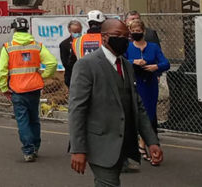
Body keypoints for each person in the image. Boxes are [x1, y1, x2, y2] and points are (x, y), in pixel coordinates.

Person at [68, 19, 163, 185]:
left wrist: (151, 141)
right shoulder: (86, 65)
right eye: (117, 35)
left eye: (126, 36)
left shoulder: (126, 65)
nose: (123, 40)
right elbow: (77, 110)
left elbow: (137, 106)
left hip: (123, 144)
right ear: (104, 37)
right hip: (99, 145)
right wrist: (78, 149)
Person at [0, 16, 57, 162]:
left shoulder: (8, 47)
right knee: (34, 118)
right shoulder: (37, 46)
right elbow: (52, 63)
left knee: (23, 120)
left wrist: (4, 88)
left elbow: (1, 72)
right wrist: (42, 76)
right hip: (34, 88)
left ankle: (28, 150)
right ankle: (36, 146)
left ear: (15, 29)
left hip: (17, 90)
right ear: (27, 29)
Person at [127, 17, 169, 164]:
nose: (136, 33)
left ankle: (144, 145)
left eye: (138, 31)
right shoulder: (128, 47)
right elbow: (121, 61)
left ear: (143, 31)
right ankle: (140, 145)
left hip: (150, 84)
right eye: (133, 31)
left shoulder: (153, 47)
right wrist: (134, 62)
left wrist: (155, 67)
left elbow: (165, 63)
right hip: (135, 83)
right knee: (135, 114)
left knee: (149, 115)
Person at [60, 20, 84, 87]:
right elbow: (65, 63)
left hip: (85, 75)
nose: (77, 34)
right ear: (69, 30)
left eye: (79, 32)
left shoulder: (85, 42)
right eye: (75, 32)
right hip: (72, 76)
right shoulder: (64, 44)